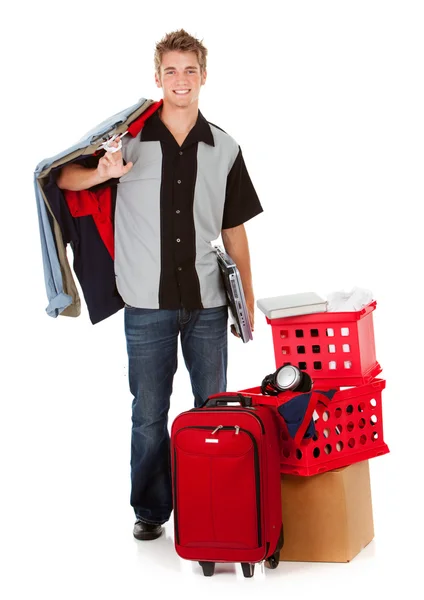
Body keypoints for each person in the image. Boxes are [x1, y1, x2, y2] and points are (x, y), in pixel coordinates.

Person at [56, 29, 263, 541]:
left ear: (203, 77)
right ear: (157, 78)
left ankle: (211, 500)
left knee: (213, 409)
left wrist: (248, 304)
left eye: (189, 70)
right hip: (145, 304)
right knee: (148, 414)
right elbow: (62, 180)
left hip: (208, 303)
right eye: (170, 70)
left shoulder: (226, 147)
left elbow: (234, 231)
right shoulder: (126, 140)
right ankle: (150, 510)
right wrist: (102, 173)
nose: (180, 80)